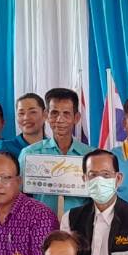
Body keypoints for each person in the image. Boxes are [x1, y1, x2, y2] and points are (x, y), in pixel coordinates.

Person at [19, 88, 94, 216]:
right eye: (54, 113)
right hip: (40, 224)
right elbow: (19, 196)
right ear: (46, 115)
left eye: (66, 113)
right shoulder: (29, 154)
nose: (59, 119)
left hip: (80, 223)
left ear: (76, 118)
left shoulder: (91, 156)